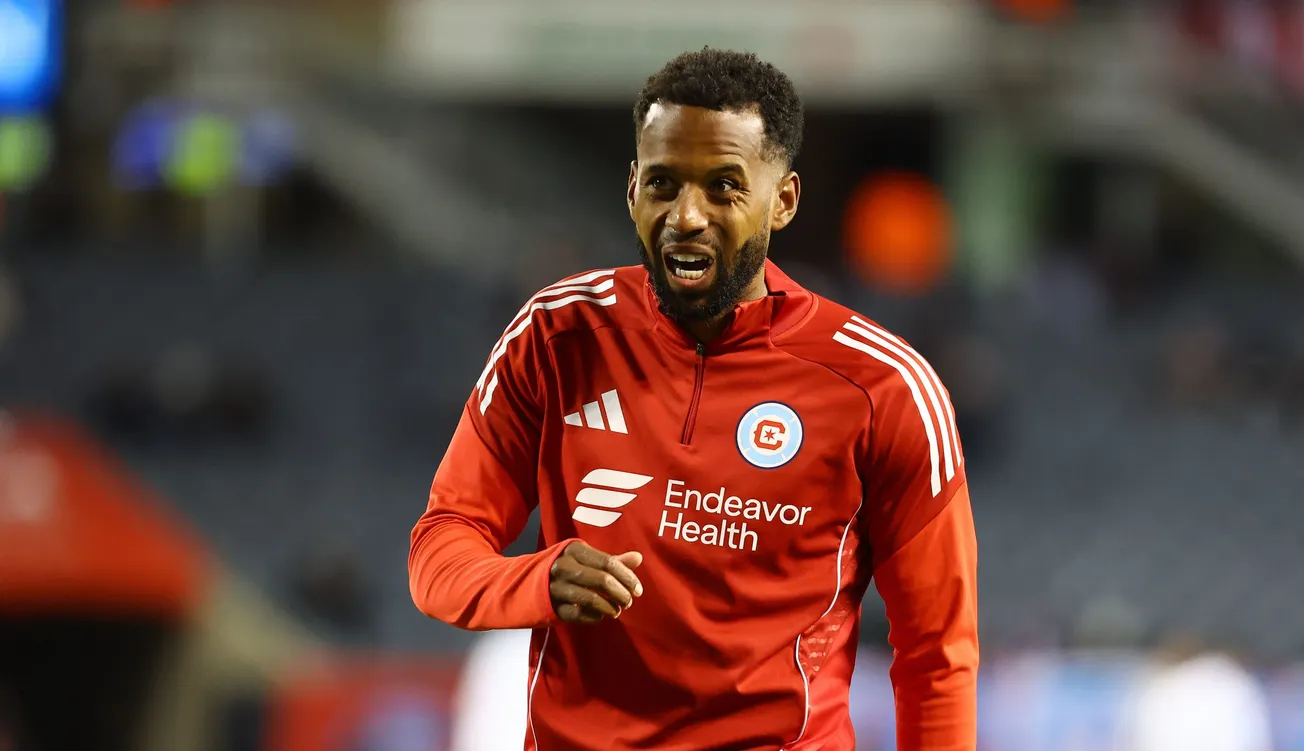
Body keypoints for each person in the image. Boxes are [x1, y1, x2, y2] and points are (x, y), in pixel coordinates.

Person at [409, 48, 979, 750]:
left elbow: (937, 654)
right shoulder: (556, 336)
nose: (686, 215)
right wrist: (537, 579)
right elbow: (438, 550)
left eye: (724, 186)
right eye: (664, 183)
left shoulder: (885, 387)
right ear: (631, 190)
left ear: (785, 201)